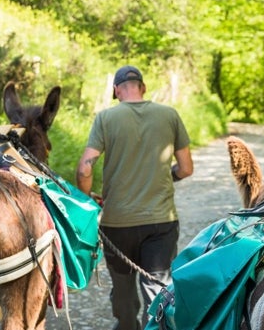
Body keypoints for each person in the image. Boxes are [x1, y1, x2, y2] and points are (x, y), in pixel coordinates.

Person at [76, 65, 193, 330]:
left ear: (117, 91)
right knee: (157, 289)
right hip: (160, 223)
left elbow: (85, 168)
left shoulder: (106, 118)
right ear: (143, 87)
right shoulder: (169, 115)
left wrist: (85, 198)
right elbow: (186, 168)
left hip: (117, 224)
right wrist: (164, 177)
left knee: (124, 295)